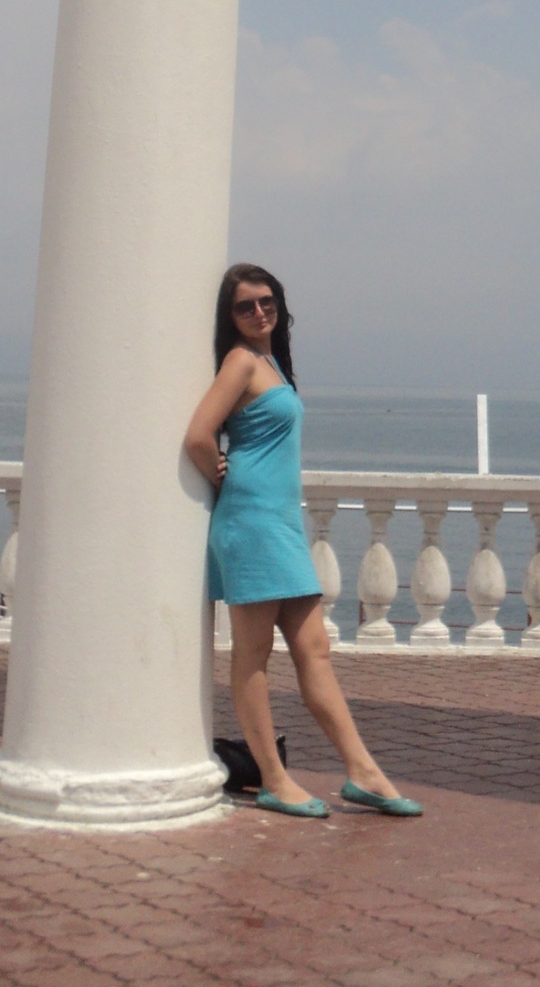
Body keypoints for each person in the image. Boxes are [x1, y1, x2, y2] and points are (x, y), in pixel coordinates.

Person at [185, 262, 423, 820]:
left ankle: (363, 773)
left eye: (266, 301)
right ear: (230, 316)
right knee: (253, 655)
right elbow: (198, 435)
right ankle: (273, 779)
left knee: (315, 649)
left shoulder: (269, 363)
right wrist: (221, 474)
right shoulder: (241, 361)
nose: (259, 312)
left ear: (280, 306)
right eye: (245, 306)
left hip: (279, 525)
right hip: (251, 523)